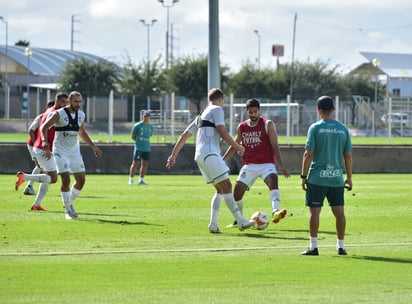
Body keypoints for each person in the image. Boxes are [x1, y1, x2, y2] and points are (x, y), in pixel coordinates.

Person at [166, 88, 256, 233]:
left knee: (220, 190)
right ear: (220, 99)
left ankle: (213, 224)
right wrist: (238, 146)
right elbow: (223, 132)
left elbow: (183, 136)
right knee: (226, 185)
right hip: (209, 154)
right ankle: (240, 221)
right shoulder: (217, 110)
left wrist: (173, 156)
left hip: (200, 156)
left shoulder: (200, 116)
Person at [223, 98, 290, 228]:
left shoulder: (267, 124)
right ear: (246, 111)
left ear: (259, 111)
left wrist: (280, 165)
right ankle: (240, 220)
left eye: (255, 112)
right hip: (249, 165)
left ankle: (275, 211)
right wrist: (223, 159)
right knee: (236, 194)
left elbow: (275, 146)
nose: (253, 114)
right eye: (251, 112)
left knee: (273, 182)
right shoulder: (241, 127)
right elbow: (235, 145)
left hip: (267, 164)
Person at [300, 96, 353, 256]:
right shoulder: (343, 129)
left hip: (317, 178)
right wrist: (349, 177)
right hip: (336, 178)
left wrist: (303, 176)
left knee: (314, 212)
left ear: (318, 110)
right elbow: (348, 156)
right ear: (334, 110)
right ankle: (341, 246)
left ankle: (313, 246)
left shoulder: (315, 128)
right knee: (339, 213)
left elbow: (308, 154)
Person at [38, 91, 102, 219]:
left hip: (74, 152)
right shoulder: (59, 114)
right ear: (69, 101)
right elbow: (44, 127)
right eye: (75, 101)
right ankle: (67, 210)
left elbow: (82, 133)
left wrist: (93, 147)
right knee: (66, 179)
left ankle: (69, 203)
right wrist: (44, 141)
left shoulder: (81, 115)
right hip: (60, 151)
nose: (78, 104)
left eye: (80, 101)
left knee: (81, 180)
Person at [15, 93, 68, 211]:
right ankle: (25, 177)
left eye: (66, 102)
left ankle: (37, 204)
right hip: (44, 149)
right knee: (53, 178)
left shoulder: (49, 111)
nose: (65, 105)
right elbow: (41, 129)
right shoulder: (55, 114)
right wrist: (46, 146)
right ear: (57, 101)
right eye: (63, 102)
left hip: (42, 148)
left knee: (47, 177)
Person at [22, 99, 55, 196]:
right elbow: (31, 130)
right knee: (40, 166)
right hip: (34, 145)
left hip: (40, 146)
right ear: (47, 108)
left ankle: (30, 186)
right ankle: (29, 185)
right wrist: (36, 143)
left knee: (41, 167)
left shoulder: (53, 119)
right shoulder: (41, 117)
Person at [129, 111, 153, 185]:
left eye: (148, 116)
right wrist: (139, 142)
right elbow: (133, 136)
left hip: (147, 147)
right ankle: (131, 179)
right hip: (139, 147)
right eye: (145, 116)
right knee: (135, 163)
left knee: (145, 163)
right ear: (143, 117)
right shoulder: (138, 126)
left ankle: (141, 179)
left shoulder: (150, 126)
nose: (146, 118)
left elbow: (150, 135)